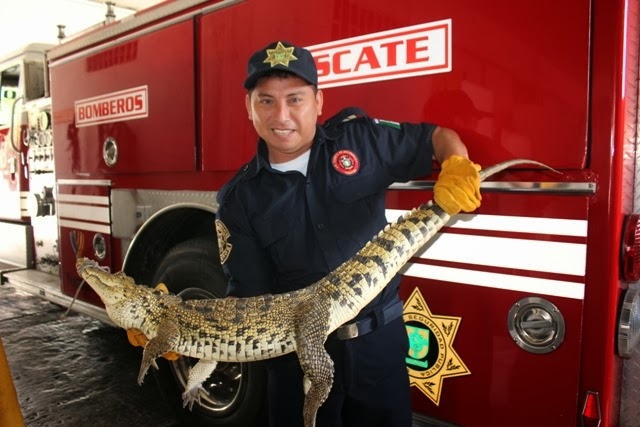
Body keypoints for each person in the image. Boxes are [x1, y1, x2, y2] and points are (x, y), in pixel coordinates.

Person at [215, 40, 482, 427]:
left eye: (295, 99)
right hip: (298, 362)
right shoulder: (238, 199)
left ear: (319, 102)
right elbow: (248, 296)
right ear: (249, 108)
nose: (282, 115)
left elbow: (435, 137)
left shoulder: (360, 141)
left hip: (380, 346)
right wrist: (179, 329)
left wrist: (456, 161)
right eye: (266, 101)